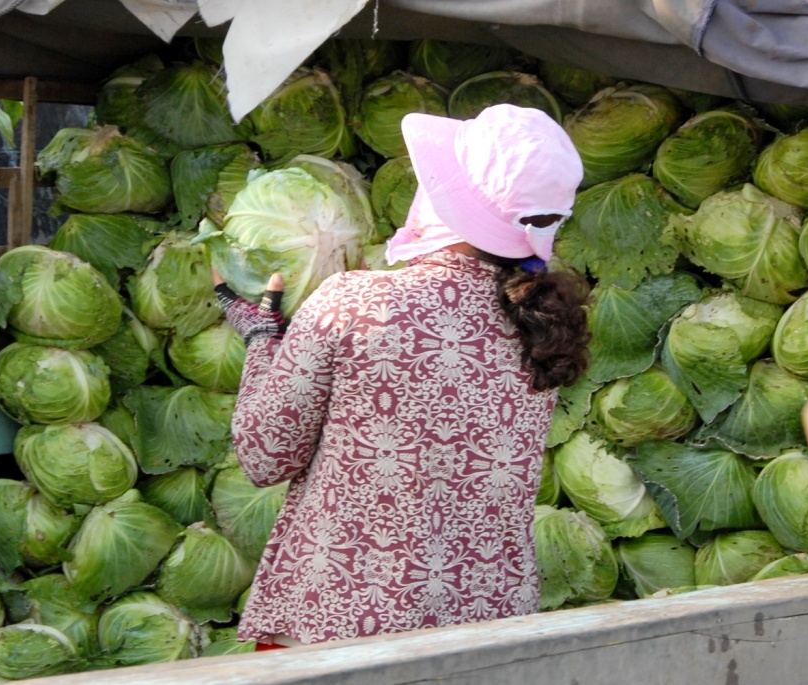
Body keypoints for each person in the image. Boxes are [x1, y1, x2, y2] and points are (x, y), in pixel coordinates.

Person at [212, 104, 592, 648]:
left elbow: (264, 456)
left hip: (343, 628)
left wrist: (260, 337)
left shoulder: (354, 300)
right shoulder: (543, 324)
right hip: (488, 631)